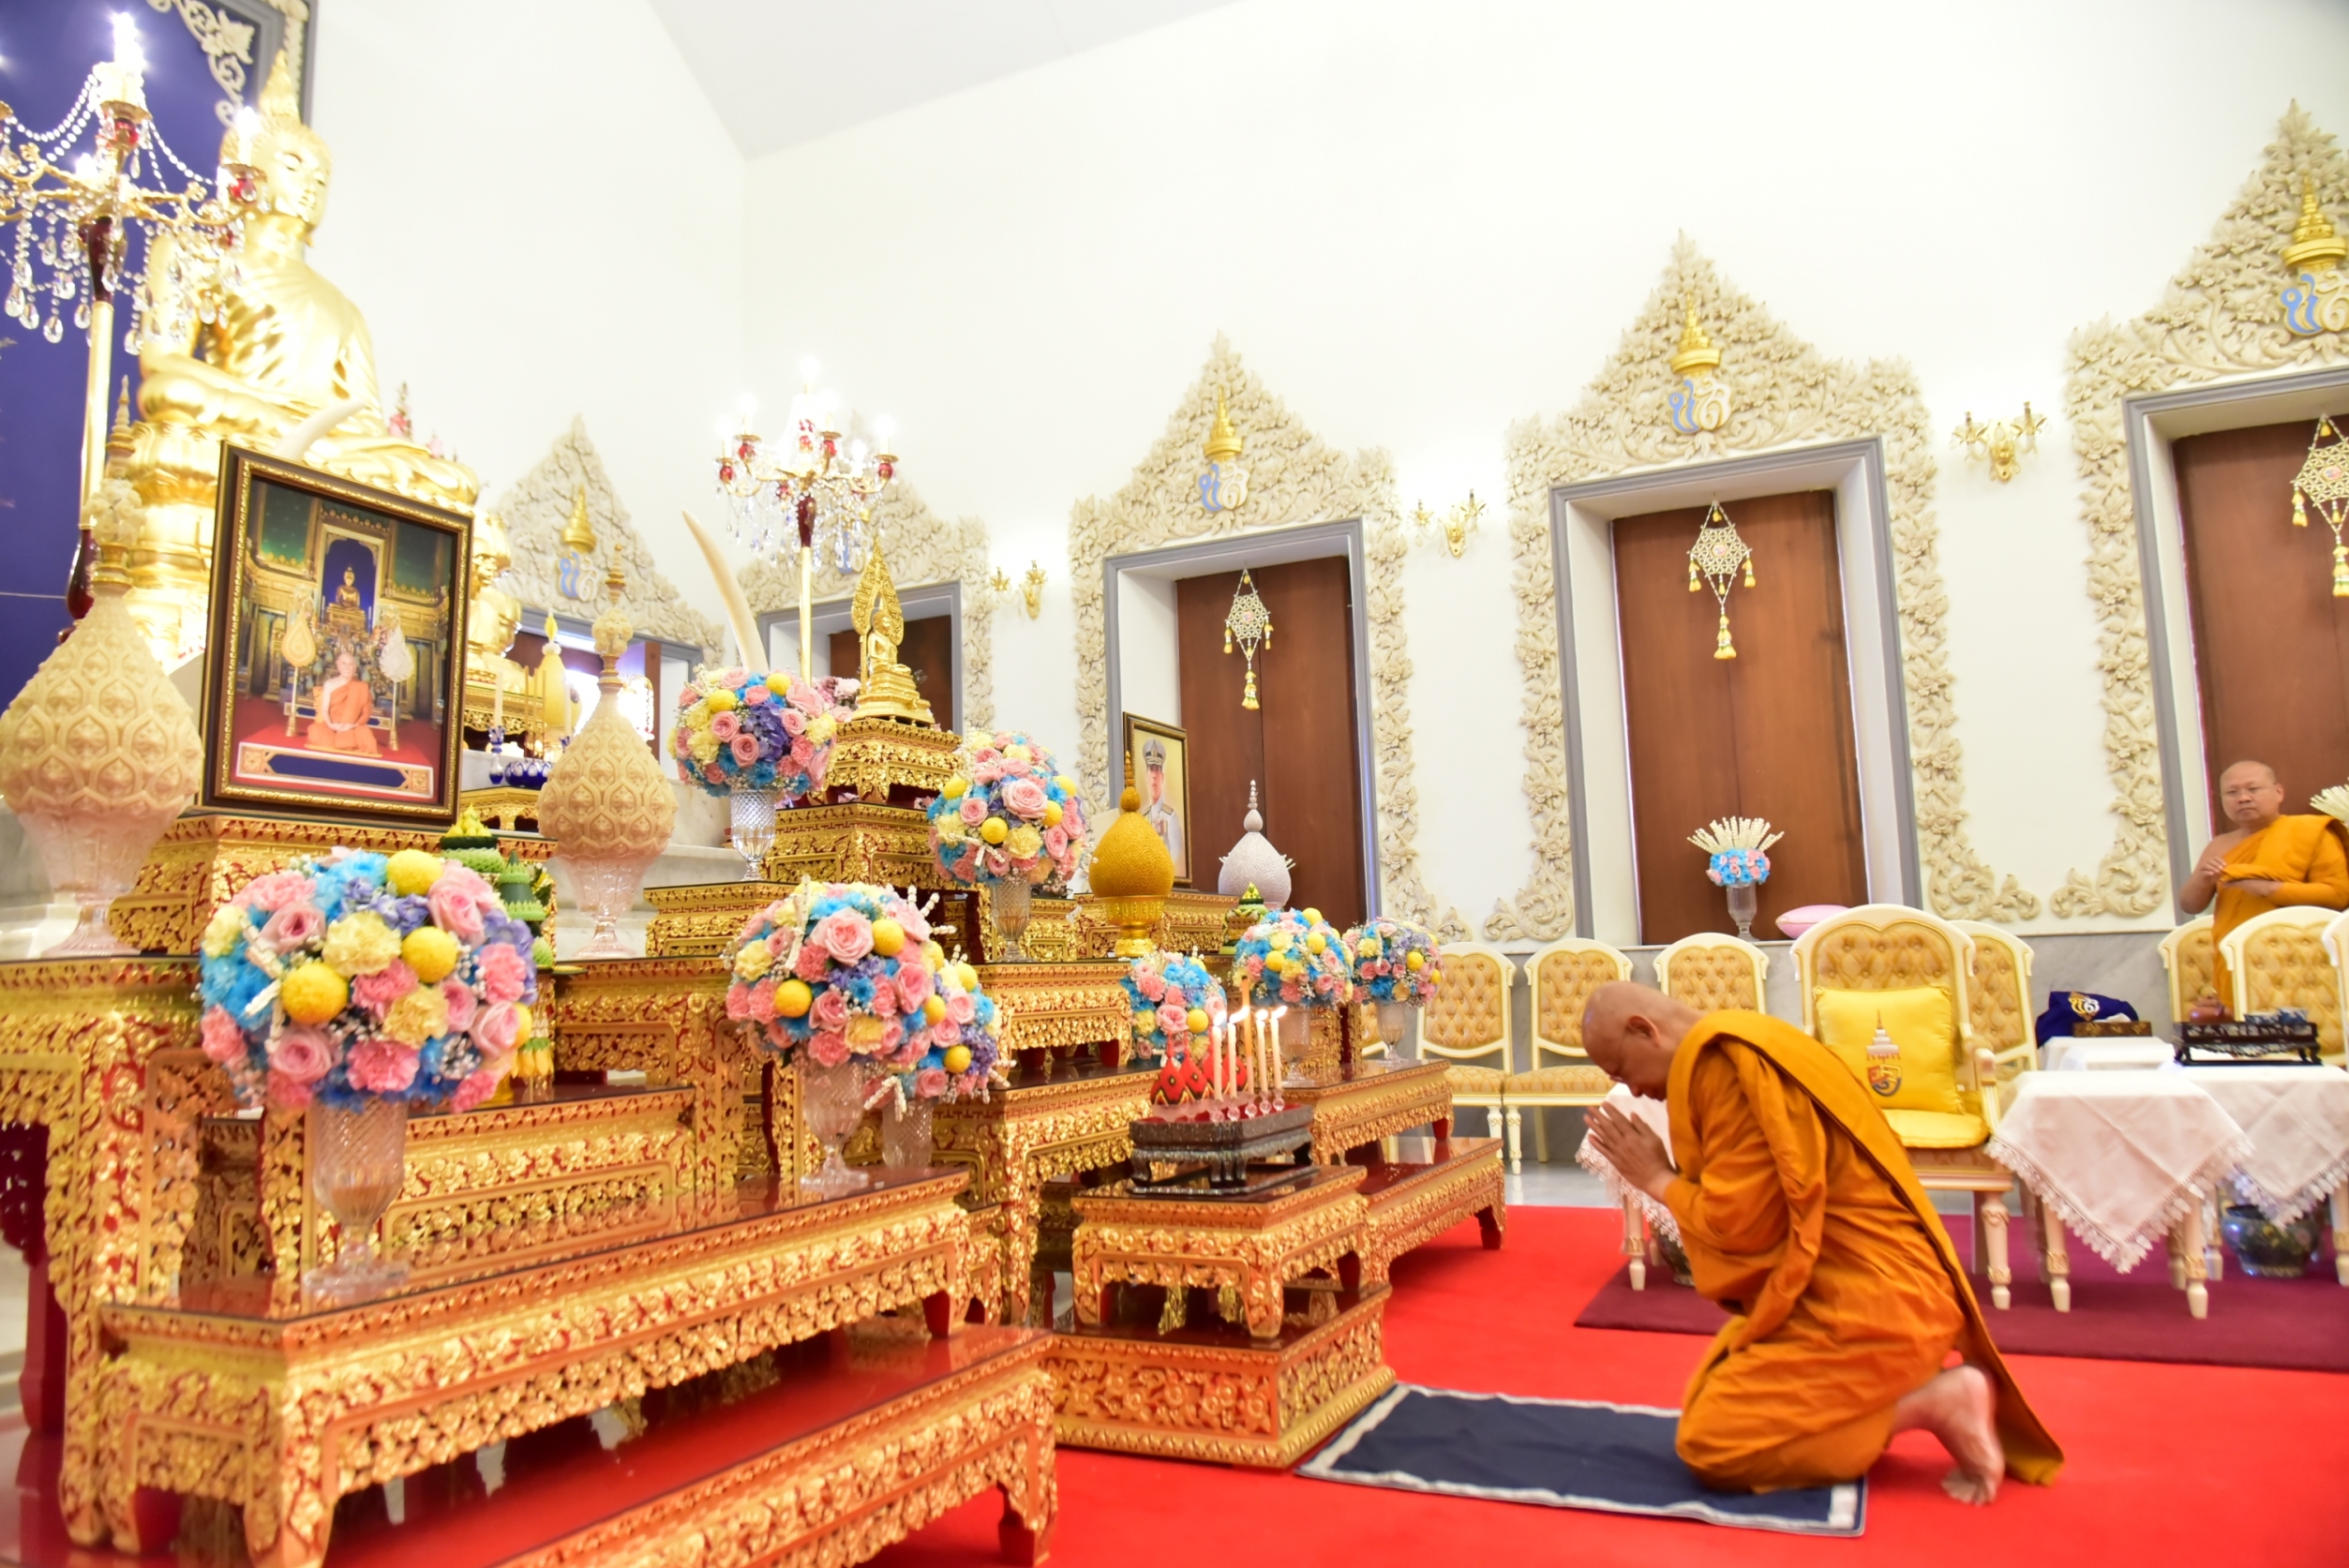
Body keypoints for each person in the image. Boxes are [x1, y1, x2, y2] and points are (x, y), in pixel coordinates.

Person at [1580, 982, 2060, 1505]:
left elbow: (1738, 1227)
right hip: (1839, 1291)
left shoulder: (1721, 1065)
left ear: (1644, 1030)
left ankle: (1932, 1402)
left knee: (1714, 1446)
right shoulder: (1755, 1038)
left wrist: (1656, 1178)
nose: (1632, 1090)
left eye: (1621, 1072)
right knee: (1711, 1390)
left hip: (1873, 1305)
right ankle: (1898, 1392)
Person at [2177, 760, 2349, 1009]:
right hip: (2235, 957)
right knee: (2243, 1027)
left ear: (2278, 792)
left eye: (2253, 789)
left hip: (2298, 961)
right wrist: (2202, 880)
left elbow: (2338, 896)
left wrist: (2269, 889)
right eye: (2232, 792)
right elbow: (2190, 905)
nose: (2243, 798)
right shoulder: (2219, 846)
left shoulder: (2310, 832)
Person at [308, 648, 381, 755]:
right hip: (331, 726)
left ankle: (344, 741)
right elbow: (324, 710)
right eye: (344, 664)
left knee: (366, 737)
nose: (347, 667)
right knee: (316, 731)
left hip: (352, 727)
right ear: (338, 666)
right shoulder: (329, 684)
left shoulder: (361, 687)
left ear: (355, 667)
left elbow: (366, 714)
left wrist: (353, 725)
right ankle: (339, 741)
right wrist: (331, 725)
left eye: (350, 664)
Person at [1138, 736, 1185, 871]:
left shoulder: (1170, 817)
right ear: (1146, 776)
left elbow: (1176, 857)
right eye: (1151, 769)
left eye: (1157, 770)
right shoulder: (1142, 817)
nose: (1154, 776)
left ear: (1162, 777)